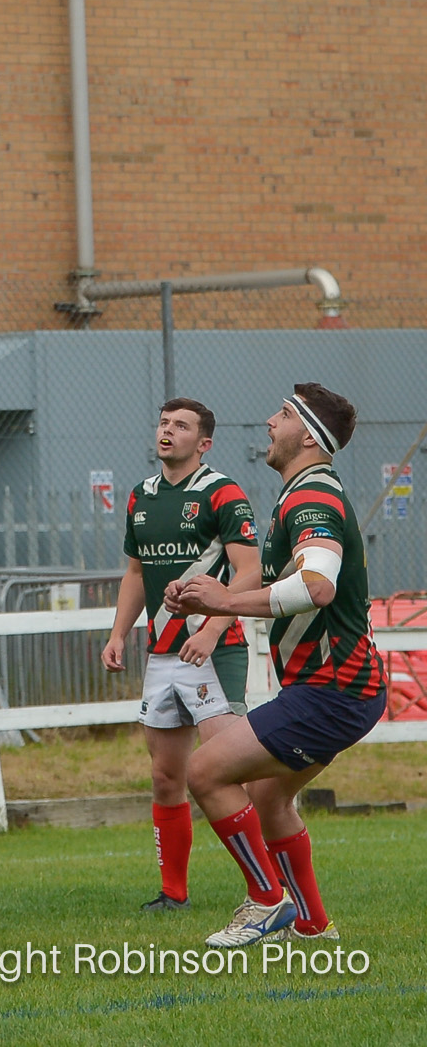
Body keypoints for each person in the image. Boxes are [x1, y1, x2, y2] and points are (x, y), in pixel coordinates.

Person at [166, 385, 384, 949]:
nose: (269, 421)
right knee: (268, 798)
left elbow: (316, 585)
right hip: (340, 688)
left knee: (205, 772)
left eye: (283, 414)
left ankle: (267, 900)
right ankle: (313, 924)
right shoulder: (301, 494)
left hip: (333, 689)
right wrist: (201, 593)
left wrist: (223, 603)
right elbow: (278, 584)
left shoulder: (312, 499)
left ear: (308, 435)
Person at [100, 399, 262, 913]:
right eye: (165, 423)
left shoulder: (224, 493)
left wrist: (212, 632)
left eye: (182, 426)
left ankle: (265, 889)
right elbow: (133, 573)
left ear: (204, 442)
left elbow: (249, 574)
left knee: (224, 772)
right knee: (166, 776)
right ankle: (173, 893)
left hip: (212, 652)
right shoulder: (140, 497)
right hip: (163, 655)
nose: (168, 432)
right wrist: (118, 633)